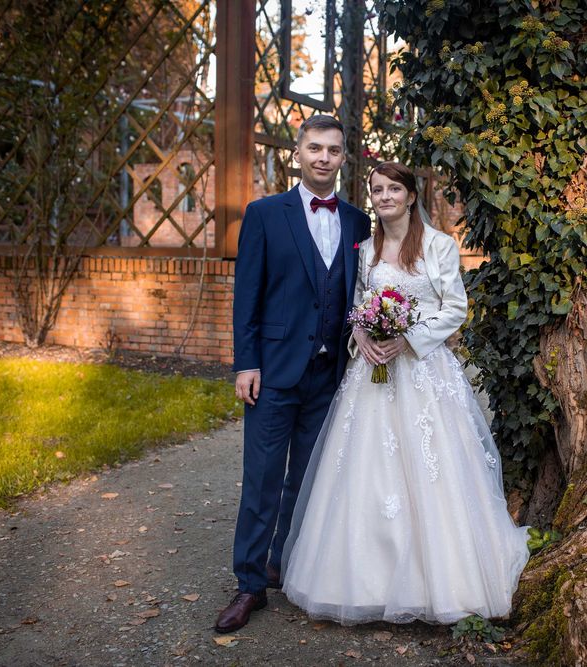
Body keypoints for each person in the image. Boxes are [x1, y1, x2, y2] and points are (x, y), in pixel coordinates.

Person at [281, 162, 529, 625]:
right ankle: (361, 582)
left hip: (423, 373)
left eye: (394, 188)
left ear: (411, 195)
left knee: (433, 474)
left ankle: (444, 584)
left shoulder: (437, 245)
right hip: (373, 376)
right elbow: (358, 304)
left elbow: (455, 307)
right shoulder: (366, 248)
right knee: (366, 474)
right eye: (377, 189)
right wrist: (366, 338)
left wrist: (408, 337)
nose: (385, 196)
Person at [216, 115, 371, 634]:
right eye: (314, 148)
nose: (324, 157)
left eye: (333, 150)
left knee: (306, 480)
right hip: (274, 373)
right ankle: (248, 584)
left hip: (330, 375)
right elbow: (248, 296)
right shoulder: (264, 214)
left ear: (344, 158)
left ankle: (284, 563)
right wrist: (246, 362)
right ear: (297, 154)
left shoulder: (357, 222)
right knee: (261, 479)